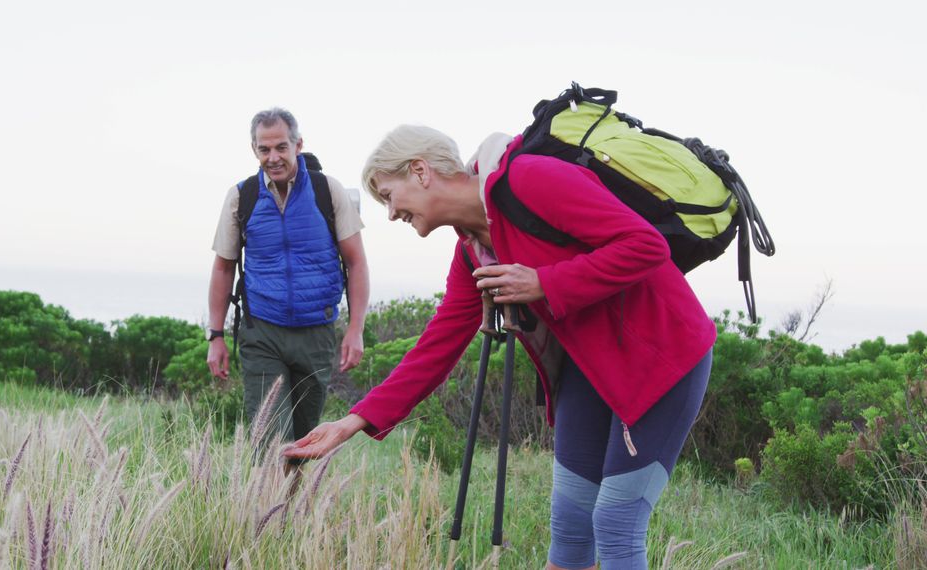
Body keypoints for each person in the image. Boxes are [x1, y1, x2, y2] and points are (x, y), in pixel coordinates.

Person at [284, 125, 715, 569]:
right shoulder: (473, 251)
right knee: (569, 527)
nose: (391, 213)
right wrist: (353, 421)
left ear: (420, 171)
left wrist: (544, 282)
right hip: (588, 371)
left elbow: (646, 244)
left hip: (662, 360)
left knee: (616, 523)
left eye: (389, 195)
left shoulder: (531, 180)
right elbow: (436, 347)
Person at [207, 107, 370, 456]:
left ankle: (295, 509)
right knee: (270, 440)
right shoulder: (242, 196)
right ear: (254, 150)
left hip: (317, 333)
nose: (273, 157)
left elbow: (356, 263)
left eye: (281, 147)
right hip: (262, 331)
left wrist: (356, 329)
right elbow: (223, 267)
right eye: (264, 149)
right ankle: (266, 508)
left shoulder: (329, 191)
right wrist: (216, 335)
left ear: (298, 144)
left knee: (305, 440)